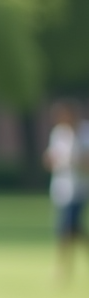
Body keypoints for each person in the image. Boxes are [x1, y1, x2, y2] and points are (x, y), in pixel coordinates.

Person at [43, 101, 89, 282]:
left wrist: (75, 161)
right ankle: (64, 267)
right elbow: (50, 158)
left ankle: (63, 268)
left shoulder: (85, 132)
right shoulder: (59, 134)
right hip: (62, 189)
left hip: (80, 189)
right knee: (71, 228)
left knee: (67, 227)